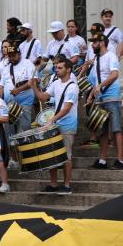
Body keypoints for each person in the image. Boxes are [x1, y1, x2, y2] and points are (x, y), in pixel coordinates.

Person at [31, 56, 78, 194]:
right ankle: (53, 185)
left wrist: (51, 120)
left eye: (60, 67)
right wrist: (33, 86)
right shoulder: (56, 83)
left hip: (68, 125)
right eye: (56, 67)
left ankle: (67, 186)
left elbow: (67, 108)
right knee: (52, 155)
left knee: (66, 156)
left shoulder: (73, 86)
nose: (56, 69)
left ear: (68, 69)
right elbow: (43, 97)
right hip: (56, 123)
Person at [88, 33, 123, 169]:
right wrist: (91, 95)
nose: (92, 44)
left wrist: (100, 86)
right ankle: (102, 160)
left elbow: (115, 74)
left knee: (116, 129)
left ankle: (120, 160)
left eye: (94, 42)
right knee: (103, 131)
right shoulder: (96, 60)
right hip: (100, 98)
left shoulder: (111, 56)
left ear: (102, 42)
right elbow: (96, 81)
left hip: (112, 96)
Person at [0, 42, 36, 140]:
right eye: (9, 56)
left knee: (23, 131)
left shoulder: (27, 63)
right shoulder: (6, 68)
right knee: (9, 132)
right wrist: (1, 101)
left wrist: (18, 90)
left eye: (13, 56)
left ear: (19, 54)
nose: (11, 58)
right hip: (9, 104)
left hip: (24, 102)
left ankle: (24, 153)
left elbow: (31, 82)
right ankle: (11, 153)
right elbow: (1, 86)